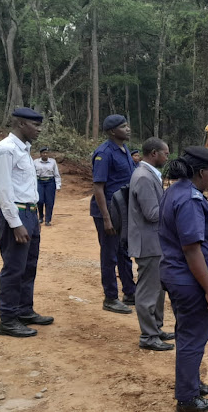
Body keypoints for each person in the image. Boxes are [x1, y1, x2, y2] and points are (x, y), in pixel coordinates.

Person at [159, 146, 208, 412]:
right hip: (191, 281)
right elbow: (191, 248)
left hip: (179, 277)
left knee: (188, 335)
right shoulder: (189, 200)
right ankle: (187, 399)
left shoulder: (176, 191)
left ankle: (192, 383)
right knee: (191, 340)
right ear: (201, 172)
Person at [0, 107, 54, 337]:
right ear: (20, 124)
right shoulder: (5, 150)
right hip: (15, 215)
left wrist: (32, 218)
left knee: (29, 266)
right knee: (14, 268)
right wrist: (15, 223)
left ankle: (24, 310)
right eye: (35, 125)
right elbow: (4, 189)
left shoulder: (24, 150)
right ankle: (7, 319)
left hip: (29, 213)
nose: (39, 129)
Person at [128, 137, 174, 351]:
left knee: (158, 289)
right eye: (165, 153)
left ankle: (155, 328)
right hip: (148, 242)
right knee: (148, 290)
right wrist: (175, 207)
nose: (167, 157)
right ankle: (148, 336)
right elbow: (153, 213)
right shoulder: (145, 177)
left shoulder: (148, 174)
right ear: (154, 153)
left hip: (154, 241)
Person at [90, 114, 136, 314]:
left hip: (123, 210)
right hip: (107, 211)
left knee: (123, 252)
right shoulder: (104, 153)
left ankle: (129, 292)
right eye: (123, 126)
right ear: (112, 131)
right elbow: (98, 187)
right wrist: (107, 219)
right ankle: (110, 297)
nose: (128, 129)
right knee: (109, 256)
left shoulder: (124, 150)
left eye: (127, 125)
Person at [34, 147, 62, 226]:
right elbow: (32, 174)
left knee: (49, 201)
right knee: (39, 200)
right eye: (43, 153)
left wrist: (58, 185)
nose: (45, 154)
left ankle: (48, 220)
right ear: (40, 154)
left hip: (50, 182)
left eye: (46, 153)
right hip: (39, 182)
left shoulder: (53, 162)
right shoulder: (35, 162)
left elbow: (56, 174)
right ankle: (40, 217)